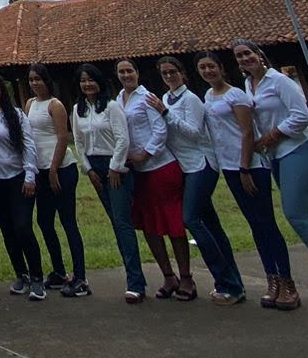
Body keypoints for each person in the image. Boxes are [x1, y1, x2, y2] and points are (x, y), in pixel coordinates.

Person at [235, 38, 308, 313]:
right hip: (277, 157)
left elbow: (301, 116)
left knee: (297, 216)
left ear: (259, 54)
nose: (244, 59)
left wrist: (270, 137)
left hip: (299, 151)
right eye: (239, 57)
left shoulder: (280, 81)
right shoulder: (249, 86)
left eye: (248, 53)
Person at [198, 50, 291, 307]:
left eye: (211, 67)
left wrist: (245, 167)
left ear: (221, 68)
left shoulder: (236, 94)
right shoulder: (208, 96)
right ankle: (271, 279)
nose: (208, 72)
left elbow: (248, 132)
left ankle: (286, 281)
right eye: (203, 68)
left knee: (267, 223)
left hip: (249, 167)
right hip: (228, 167)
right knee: (255, 226)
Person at [155, 54, 245, 306]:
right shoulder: (166, 98)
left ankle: (226, 281)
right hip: (184, 167)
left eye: (173, 71)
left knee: (190, 218)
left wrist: (166, 114)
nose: (170, 76)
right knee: (211, 225)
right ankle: (233, 284)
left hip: (201, 164)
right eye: (165, 73)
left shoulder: (191, 99)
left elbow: (194, 133)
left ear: (182, 73)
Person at [116, 58, 191, 302]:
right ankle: (168, 275)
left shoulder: (146, 97)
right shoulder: (118, 99)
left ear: (137, 73)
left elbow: (160, 130)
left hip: (159, 166)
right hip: (137, 173)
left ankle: (186, 276)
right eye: (121, 72)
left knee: (173, 224)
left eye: (129, 71)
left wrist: (145, 153)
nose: (126, 75)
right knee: (149, 226)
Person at [74, 62, 141, 303]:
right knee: (114, 221)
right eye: (83, 80)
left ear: (99, 81)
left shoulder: (111, 107)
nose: (87, 84)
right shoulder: (78, 109)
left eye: (90, 79)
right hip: (95, 167)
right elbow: (79, 142)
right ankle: (133, 275)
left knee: (123, 221)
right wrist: (89, 169)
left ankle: (136, 282)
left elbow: (122, 139)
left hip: (116, 166)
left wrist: (115, 167)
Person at [0, 71, 45, 301]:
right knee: (7, 230)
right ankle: (21, 274)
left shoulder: (14, 114)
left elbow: (28, 144)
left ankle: (37, 278)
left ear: (2, 90)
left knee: (23, 226)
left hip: (18, 178)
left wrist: (29, 175)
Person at [26, 63, 86, 297]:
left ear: (46, 80)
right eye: (31, 79)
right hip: (40, 169)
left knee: (68, 221)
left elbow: (63, 138)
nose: (34, 83)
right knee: (44, 221)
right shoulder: (31, 104)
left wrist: (53, 169)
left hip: (61, 168)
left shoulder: (56, 105)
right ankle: (59, 270)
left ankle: (80, 276)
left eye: (38, 79)